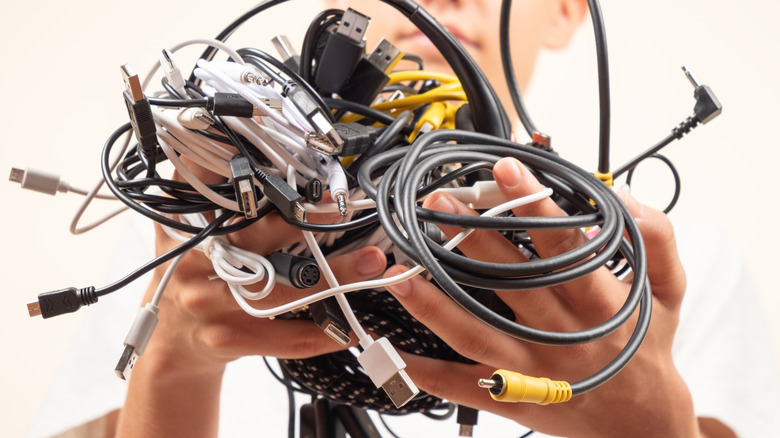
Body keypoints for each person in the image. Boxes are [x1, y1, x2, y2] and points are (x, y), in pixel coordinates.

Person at [32, 0, 780, 437]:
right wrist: (176, 366)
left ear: (561, 14)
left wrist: (645, 421)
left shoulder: (663, 273)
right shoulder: (203, 244)